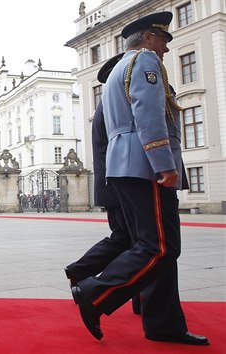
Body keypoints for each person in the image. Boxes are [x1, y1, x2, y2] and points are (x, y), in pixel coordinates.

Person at [70, 12, 209, 345]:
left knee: (154, 246)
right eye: (162, 40)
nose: (164, 49)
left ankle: (164, 324)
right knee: (159, 247)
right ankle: (94, 292)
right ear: (147, 37)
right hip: (144, 164)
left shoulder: (119, 68)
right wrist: (164, 163)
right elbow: (148, 114)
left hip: (126, 165)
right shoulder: (144, 61)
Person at [65, 53, 143, 314]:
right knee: (135, 241)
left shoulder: (104, 108)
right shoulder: (113, 107)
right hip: (120, 183)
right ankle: (90, 281)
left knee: (126, 239)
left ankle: (80, 272)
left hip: (111, 184)